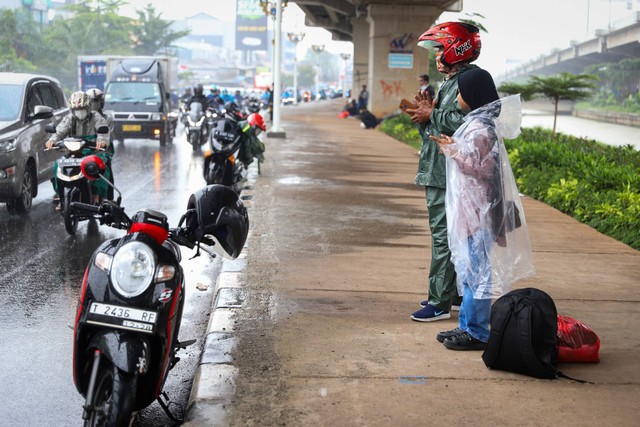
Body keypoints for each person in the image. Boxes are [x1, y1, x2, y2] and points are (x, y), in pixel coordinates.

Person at [430, 68, 535, 350]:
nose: (459, 96)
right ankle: (467, 324)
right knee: (468, 269)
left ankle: (477, 331)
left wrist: (452, 151)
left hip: (479, 212)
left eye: (462, 91)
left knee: (477, 273)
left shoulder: (481, 128)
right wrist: (453, 146)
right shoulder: (476, 123)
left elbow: (481, 167)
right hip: (472, 211)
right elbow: (474, 159)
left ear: (473, 95)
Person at [404, 21, 481, 322]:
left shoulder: (469, 81)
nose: (436, 56)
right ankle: (450, 294)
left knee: (443, 237)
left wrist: (432, 114)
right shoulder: (450, 83)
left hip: (449, 174)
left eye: (439, 49)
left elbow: (467, 122)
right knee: (448, 236)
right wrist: (425, 119)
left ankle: (439, 303)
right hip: (440, 170)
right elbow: (439, 130)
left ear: (455, 48)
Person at [46, 91, 111, 205]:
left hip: (93, 151)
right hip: (72, 151)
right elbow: (60, 131)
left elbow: (103, 132)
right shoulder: (69, 118)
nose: (79, 112)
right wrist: (52, 140)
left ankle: (97, 195)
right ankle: (60, 194)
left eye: (82, 109)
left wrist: (101, 141)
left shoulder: (96, 117)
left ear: (88, 107)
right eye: (76, 110)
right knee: (58, 165)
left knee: (100, 166)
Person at [86, 88, 116, 199]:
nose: (93, 105)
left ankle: (106, 197)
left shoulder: (107, 119)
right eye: (91, 102)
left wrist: (101, 143)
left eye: (96, 102)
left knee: (104, 167)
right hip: (83, 151)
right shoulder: (80, 119)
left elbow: (108, 137)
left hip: (102, 152)